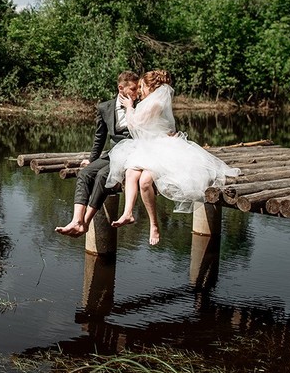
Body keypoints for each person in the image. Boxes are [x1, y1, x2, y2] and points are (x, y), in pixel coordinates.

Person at [106, 69, 240, 245]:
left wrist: (129, 107)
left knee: (145, 181)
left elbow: (134, 125)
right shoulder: (147, 102)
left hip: (163, 148)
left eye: (142, 86)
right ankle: (128, 213)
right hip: (147, 147)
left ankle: (154, 225)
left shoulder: (155, 104)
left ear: (149, 87)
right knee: (131, 172)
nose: (140, 90)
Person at [55, 71, 157, 236]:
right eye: (132, 88)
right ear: (121, 88)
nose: (136, 92)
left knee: (103, 175)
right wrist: (92, 160)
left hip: (134, 154)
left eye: (138, 88)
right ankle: (76, 220)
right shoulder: (105, 107)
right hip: (114, 152)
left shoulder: (141, 105)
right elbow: (99, 138)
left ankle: (85, 223)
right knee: (86, 174)